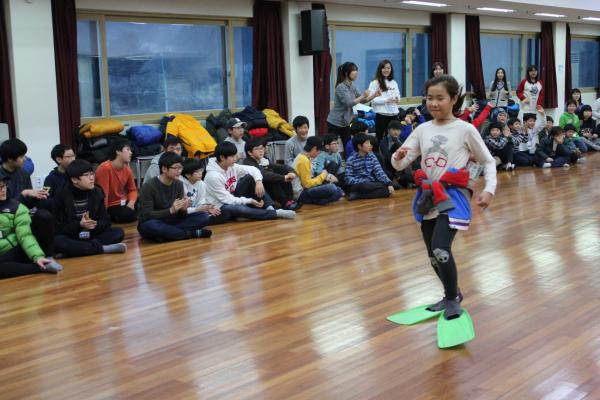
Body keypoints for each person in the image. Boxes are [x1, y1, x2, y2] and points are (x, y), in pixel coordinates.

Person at [391, 74, 497, 323]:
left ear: (454, 99)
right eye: (429, 98)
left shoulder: (465, 129)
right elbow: (400, 164)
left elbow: (487, 160)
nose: (434, 103)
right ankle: (452, 293)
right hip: (428, 196)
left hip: (453, 196)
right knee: (432, 254)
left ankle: (451, 299)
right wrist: (398, 157)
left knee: (441, 248)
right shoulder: (422, 129)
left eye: (440, 98)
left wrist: (489, 189)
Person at [53, 159, 127, 257]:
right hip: (72, 235)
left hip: (91, 233)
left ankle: (75, 250)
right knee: (59, 241)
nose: (92, 178)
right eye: (86, 175)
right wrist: (80, 225)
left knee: (118, 232)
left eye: (92, 174)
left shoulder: (97, 192)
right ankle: (102, 249)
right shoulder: (61, 195)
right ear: (74, 180)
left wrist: (93, 224)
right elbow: (60, 228)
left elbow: (106, 221)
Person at [204, 142, 296, 221]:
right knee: (240, 209)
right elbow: (227, 199)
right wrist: (249, 201)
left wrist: (258, 181)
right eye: (232, 157)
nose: (235, 159)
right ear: (222, 157)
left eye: (235, 155)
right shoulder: (213, 176)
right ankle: (275, 213)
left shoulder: (231, 166)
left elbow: (253, 169)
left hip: (233, 195)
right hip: (220, 205)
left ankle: (270, 208)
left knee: (250, 177)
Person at [137, 152, 213, 242]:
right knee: (149, 226)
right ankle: (190, 234)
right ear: (164, 169)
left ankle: (167, 234)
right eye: (176, 168)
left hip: (172, 220)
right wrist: (171, 210)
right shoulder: (149, 186)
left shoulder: (178, 184)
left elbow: (181, 215)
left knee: (203, 216)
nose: (179, 171)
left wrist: (183, 209)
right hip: (154, 221)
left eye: (180, 168)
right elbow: (147, 215)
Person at [0, 177, 62, 278]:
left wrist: (37, 257)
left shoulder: (17, 207)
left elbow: (25, 235)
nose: (3, 190)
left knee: (43, 216)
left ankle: (40, 266)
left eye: (3, 186)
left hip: (14, 248)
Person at [0, 139, 54, 253]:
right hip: (6, 218)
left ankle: (47, 253)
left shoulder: (23, 173)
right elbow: (5, 207)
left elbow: (27, 203)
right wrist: (24, 193)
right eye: (21, 156)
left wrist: (37, 196)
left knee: (45, 214)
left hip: (23, 213)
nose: (25, 159)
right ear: (10, 159)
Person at [327, 61, 380, 146]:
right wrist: (363, 95)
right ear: (346, 73)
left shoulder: (352, 86)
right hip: (335, 122)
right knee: (332, 146)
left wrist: (374, 95)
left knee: (348, 145)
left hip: (346, 122)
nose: (356, 73)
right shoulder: (341, 87)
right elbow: (349, 103)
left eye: (356, 70)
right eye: (353, 70)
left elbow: (362, 100)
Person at [243, 138, 301, 211]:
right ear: (249, 152)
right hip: (255, 192)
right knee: (271, 179)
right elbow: (263, 174)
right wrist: (283, 177)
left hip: (265, 189)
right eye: (257, 149)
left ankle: (289, 200)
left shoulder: (264, 159)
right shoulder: (248, 162)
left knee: (282, 172)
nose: (261, 151)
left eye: (262, 148)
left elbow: (280, 167)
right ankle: (285, 202)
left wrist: (291, 172)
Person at [94, 138, 138, 223]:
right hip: (111, 205)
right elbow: (103, 195)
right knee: (126, 214)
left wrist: (131, 203)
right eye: (128, 149)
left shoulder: (127, 169)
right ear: (118, 151)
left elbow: (133, 190)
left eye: (130, 150)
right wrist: (104, 216)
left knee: (142, 202)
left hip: (123, 202)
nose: (131, 152)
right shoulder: (105, 168)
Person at [292, 136, 343, 205]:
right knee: (333, 188)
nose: (319, 153)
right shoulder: (303, 160)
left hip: (306, 188)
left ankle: (319, 200)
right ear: (314, 148)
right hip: (301, 194)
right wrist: (323, 175)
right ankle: (320, 200)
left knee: (337, 190)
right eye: (319, 150)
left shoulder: (304, 157)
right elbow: (307, 184)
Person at [345, 133, 394, 201]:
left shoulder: (372, 156)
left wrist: (388, 183)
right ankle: (360, 193)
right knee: (365, 185)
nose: (370, 145)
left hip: (371, 183)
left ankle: (358, 196)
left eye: (370, 143)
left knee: (387, 191)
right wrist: (363, 181)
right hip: (358, 185)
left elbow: (379, 172)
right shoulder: (351, 159)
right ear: (359, 146)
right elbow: (348, 179)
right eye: (367, 143)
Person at [180, 158, 228, 224]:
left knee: (224, 213)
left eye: (201, 170)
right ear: (187, 174)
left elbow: (201, 202)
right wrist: (198, 209)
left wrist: (207, 208)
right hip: (182, 214)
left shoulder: (201, 184)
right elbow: (179, 211)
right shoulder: (179, 185)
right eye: (197, 171)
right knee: (204, 217)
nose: (201, 173)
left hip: (196, 212)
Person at [368, 60, 401, 142]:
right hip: (382, 115)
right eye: (384, 68)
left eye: (388, 68)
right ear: (380, 69)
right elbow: (372, 99)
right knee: (379, 138)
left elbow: (398, 95)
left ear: (391, 69)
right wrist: (386, 100)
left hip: (394, 114)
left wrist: (397, 99)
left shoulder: (394, 82)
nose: (386, 70)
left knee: (394, 139)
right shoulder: (375, 82)